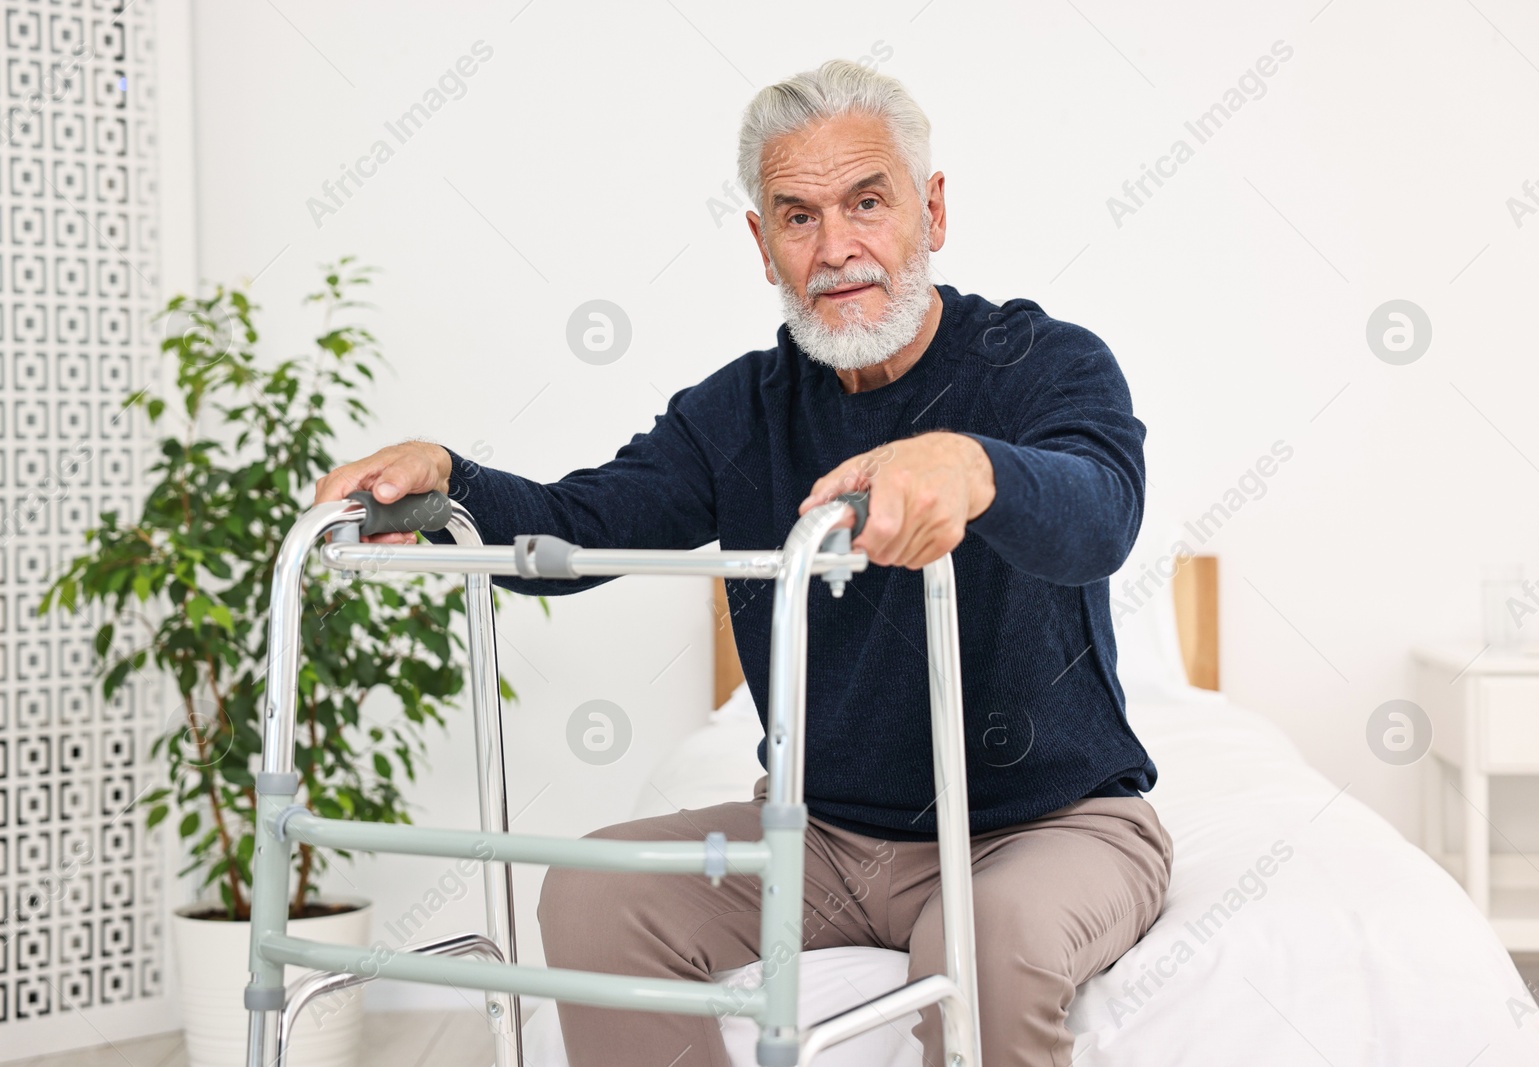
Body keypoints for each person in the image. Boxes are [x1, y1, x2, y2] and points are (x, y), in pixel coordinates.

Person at [314, 58, 1172, 1067]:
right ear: (763, 246)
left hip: (1047, 826)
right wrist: (450, 476)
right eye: (798, 217)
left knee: (982, 940)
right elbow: (576, 528)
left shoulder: (1041, 362)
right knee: (591, 893)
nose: (837, 248)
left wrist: (971, 466)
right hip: (823, 837)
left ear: (931, 211)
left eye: (866, 202)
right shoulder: (741, 410)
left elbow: (1101, 512)